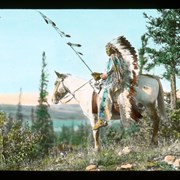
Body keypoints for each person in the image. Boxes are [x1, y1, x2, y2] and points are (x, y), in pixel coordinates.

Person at [92, 42, 123, 130]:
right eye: (106, 50)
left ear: (112, 50)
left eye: (108, 49)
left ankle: (102, 119)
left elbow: (110, 72)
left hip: (115, 81)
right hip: (111, 80)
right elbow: (107, 73)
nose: (106, 51)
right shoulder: (112, 58)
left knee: (104, 94)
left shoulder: (114, 58)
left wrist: (101, 76)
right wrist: (99, 75)